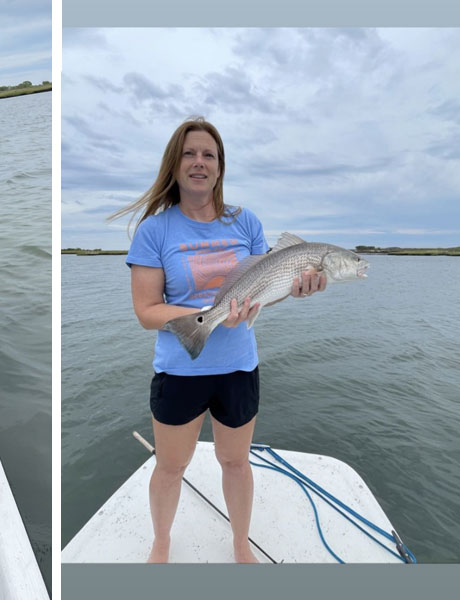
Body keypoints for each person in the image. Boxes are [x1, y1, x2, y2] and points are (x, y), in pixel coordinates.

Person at [118, 118, 325, 563]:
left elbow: (264, 294)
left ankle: (240, 543)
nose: (199, 162)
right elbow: (147, 312)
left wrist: (294, 290)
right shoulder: (155, 231)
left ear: (220, 166)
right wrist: (209, 318)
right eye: (189, 154)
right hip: (180, 370)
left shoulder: (246, 222)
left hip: (238, 368)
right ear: (174, 164)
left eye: (208, 155)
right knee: (171, 467)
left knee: (236, 462)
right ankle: (161, 543)